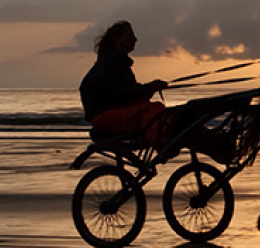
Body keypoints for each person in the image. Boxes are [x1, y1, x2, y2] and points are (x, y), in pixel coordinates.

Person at [80, 20, 233, 164]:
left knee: (178, 123)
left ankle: (215, 146)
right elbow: (121, 93)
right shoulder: (110, 62)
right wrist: (149, 87)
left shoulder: (116, 62)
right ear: (118, 39)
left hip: (114, 113)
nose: (135, 39)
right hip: (105, 117)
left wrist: (149, 88)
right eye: (130, 36)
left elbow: (128, 94)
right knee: (158, 114)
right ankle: (164, 142)